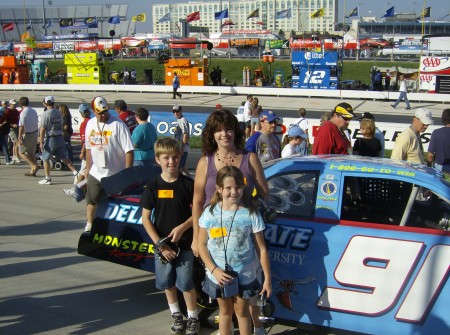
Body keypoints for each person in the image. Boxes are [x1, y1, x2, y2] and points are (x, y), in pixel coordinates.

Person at [192, 109, 268, 335]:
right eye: (218, 130)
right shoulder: (205, 162)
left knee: (247, 293)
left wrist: (251, 206)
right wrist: (197, 237)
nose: (224, 134)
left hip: (245, 235)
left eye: (228, 129)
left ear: (235, 131)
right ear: (212, 135)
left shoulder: (249, 157)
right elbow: (197, 202)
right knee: (225, 303)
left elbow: (265, 193)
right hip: (213, 238)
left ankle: (258, 325)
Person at [198, 166, 272, 335]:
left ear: (243, 187)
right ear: (219, 189)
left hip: (245, 276)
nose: (234, 192)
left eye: (238, 187)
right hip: (218, 276)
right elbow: (201, 245)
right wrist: (214, 270)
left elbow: (261, 248)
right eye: (228, 188)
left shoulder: (250, 214)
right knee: (225, 312)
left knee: (242, 313)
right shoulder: (209, 214)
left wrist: (267, 278)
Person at [140, 137, 199, 335]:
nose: (171, 161)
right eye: (166, 158)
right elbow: (146, 219)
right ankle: (176, 314)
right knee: (167, 282)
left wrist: (183, 227)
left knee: (186, 283)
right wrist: (160, 245)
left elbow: (199, 213)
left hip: (185, 244)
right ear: (157, 159)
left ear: (180, 157)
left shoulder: (188, 184)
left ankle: (193, 317)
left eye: (175, 157)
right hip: (163, 247)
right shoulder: (153, 186)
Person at [84, 96, 134, 232]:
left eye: (105, 111)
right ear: (94, 111)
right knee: (92, 199)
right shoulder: (90, 124)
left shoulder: (118, 125)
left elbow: (129, 150)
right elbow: (89, 148)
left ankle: (114, 228)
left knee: (115, 203)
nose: (104, 115)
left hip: (115, 173)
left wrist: (127, 173)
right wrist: (88, 168)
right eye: (100, 113)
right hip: (96, 172)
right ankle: (89, 224)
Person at [38, 96, 79, 185]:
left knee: (45, 158)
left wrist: (41, 142)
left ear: (45, 103)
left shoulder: (45, 114)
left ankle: (47, 178)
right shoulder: (59, 112)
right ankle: (75, 172)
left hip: (51, 138)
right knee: (64, 157)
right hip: (60, 136)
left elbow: (42, 129)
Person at [63, 104, 92, 196]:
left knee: (82, 171)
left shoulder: (84, 124)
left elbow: (84, 140)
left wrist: (82, 151)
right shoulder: (92, 121)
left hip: (88, 150)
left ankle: (76, 189)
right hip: (93, 150)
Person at [17, 97, 39, 176]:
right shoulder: (33, 111)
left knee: (21, 152)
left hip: (28, 134)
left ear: (21, 104)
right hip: (35, 132)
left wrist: (19, 138)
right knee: (31, 152)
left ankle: (34, 165)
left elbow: (21, 126)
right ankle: (33, 170)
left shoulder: (23, 113)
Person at [427, 109, 450, 173]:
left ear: (443, 119)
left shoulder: (436, 133)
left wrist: (428, 167)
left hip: (439, 167)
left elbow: (430, 156)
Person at [172, 105, 191, 176]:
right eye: (174, 112)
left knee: (179, 167)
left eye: (177, 111)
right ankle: (191, 180)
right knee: (182, 166)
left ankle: (181, 182)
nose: (175, 113)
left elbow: (185, 134)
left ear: (181, 111)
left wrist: (182, 148)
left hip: (182, 147)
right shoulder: (179, 120)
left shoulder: (183, 121)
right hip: (180, 146)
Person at [5, 99, 20, 163]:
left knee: (15, 142)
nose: (15, 105)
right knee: (16, 141)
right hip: (10, 128)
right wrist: (12, 125)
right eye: (13, 104)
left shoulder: (16, 111)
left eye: (15, 104)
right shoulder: (8, 111)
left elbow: (18, 119)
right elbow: (5, 121)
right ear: (10, 104)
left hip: (16, 128)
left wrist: (17, 124)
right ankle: (16, 156)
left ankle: (14, 156)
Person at [0, 100, 12, 164]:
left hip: (2, 132)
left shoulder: (4, 114)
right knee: (4, 145)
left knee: (4, 146)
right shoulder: (2, 113)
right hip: (1, 131)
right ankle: (8, 160)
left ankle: (8, 159)